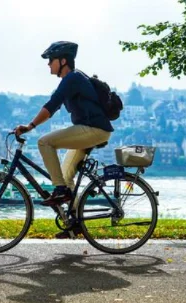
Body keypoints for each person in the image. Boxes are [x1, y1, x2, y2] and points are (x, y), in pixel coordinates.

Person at [14, 41, 114, 237]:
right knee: (66, 176)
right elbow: (54, 104)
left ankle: (60, 190)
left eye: (51, 60)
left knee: (44, 142)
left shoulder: (72, 78)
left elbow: (51, 106)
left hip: (93, 129)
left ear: (62, 61)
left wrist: (30, 126)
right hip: (91, 129)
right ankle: (76, 224)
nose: (48, 64)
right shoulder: (72, 79)